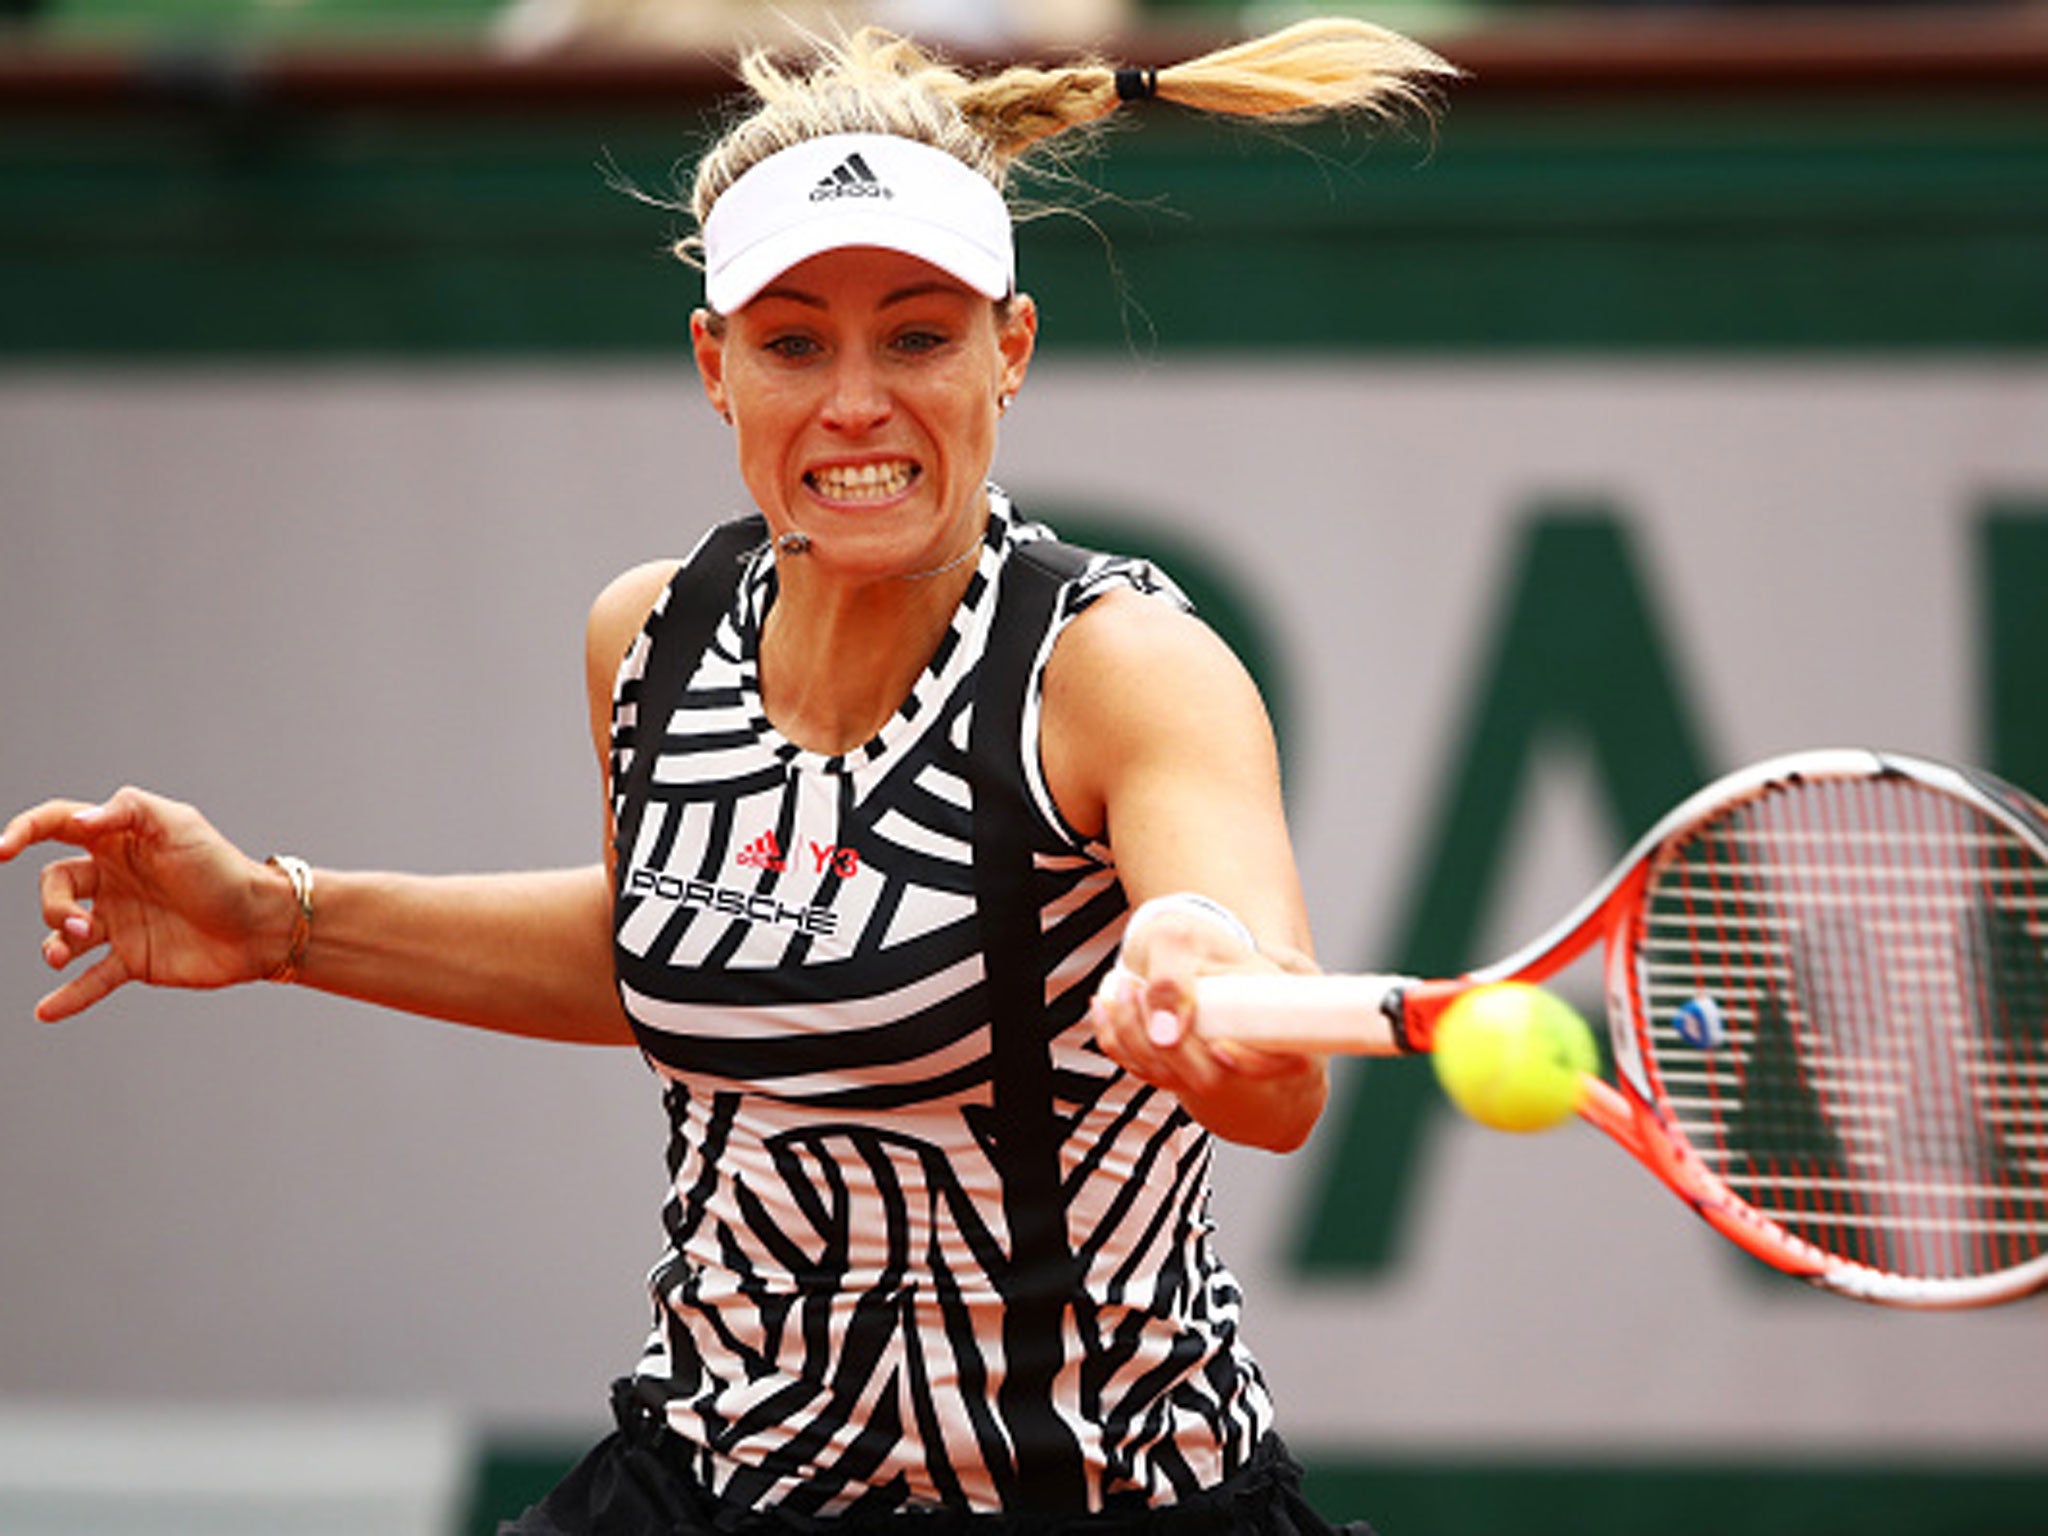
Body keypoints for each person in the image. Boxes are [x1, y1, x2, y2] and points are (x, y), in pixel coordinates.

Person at [0, 18, 1455, 1536]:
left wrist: (1199, 967)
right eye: (791, 343)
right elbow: (681, 938)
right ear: (715, 364)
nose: (854, 404)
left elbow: (1271, 1059)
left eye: (917, 335)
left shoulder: (1117, 665)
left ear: (1008, 351)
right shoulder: (650, 635)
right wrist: (285, 921)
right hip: (704, 1479)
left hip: (1092, 1501)